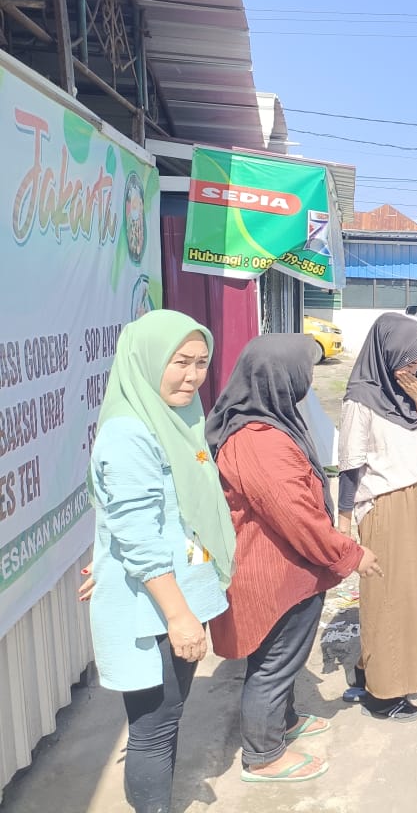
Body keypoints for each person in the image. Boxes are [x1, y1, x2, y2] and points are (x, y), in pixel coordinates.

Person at [205, 335, 383, 783]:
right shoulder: (258, 440)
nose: (307, 381)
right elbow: (297, 518)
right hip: (273, 574)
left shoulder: (263, 420)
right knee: (273, 664)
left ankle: (281, 724)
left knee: (279, 655)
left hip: (287, 571)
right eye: (303, 373)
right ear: (280, 379)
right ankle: (263, 756)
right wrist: (351, 553)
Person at [87, 310, 234, 813]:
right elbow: (135, 529)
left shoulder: (176, 417)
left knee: (167, 719)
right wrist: (179, 617)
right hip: (157, 607)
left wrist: (105, 561)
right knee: (152, 729)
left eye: (201, 363)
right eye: (180, 362)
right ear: (148, 361)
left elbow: (139, 519)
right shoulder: (130, 432)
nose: (192, 376)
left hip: (171, 592)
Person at [338, 314, 417, 721]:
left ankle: (371, 671)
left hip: (415, 497)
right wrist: (344, 521)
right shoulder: (361, 397)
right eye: (412, 359)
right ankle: (383, 695)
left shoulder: (404, 397)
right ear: (389, 353)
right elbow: (349, 463)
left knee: (412, 595)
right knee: (389, 598)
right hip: (384, 504)